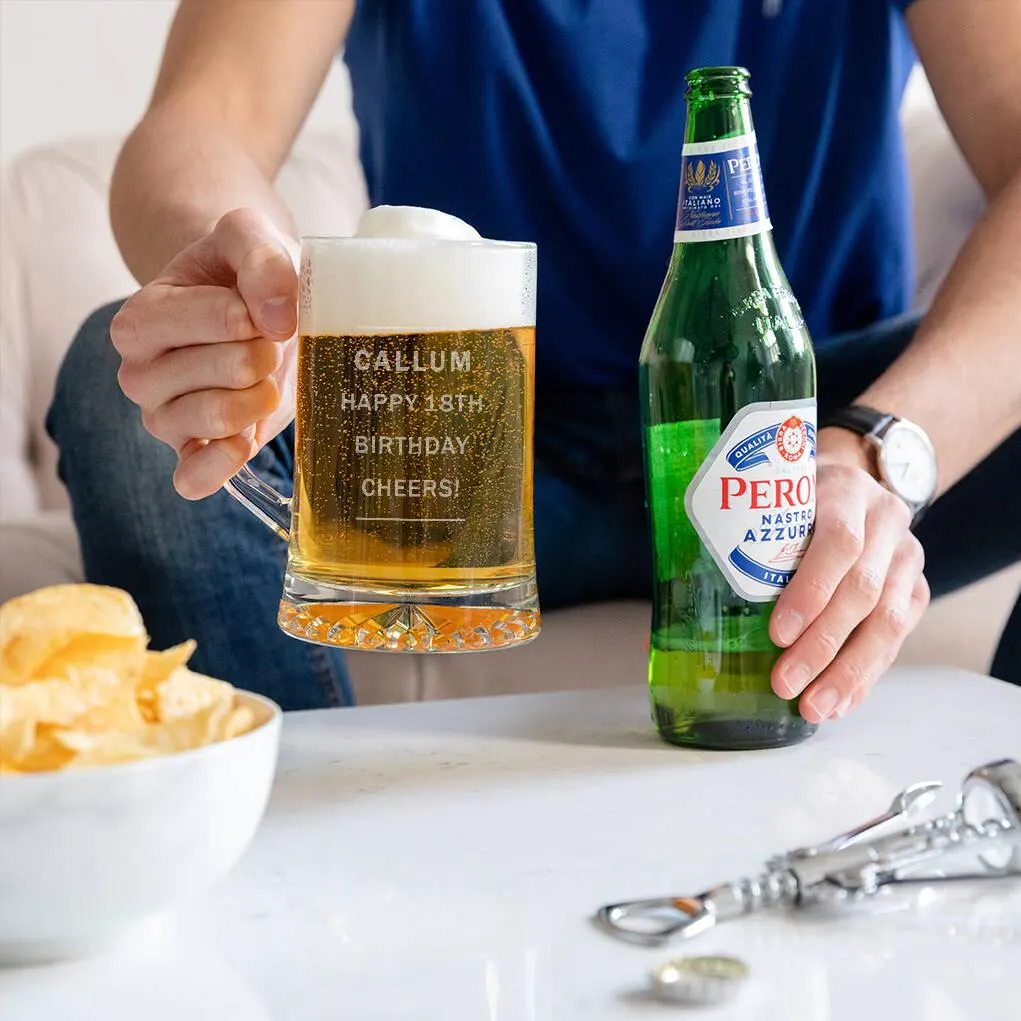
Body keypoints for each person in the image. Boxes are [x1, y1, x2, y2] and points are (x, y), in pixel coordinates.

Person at [48, 0, 1021, 714]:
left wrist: (883, 446)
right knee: (112, 374)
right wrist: (250, 288)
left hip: (802, 443)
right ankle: (290, 863)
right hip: (466, 442)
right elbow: (199, 122)